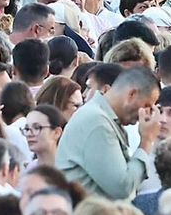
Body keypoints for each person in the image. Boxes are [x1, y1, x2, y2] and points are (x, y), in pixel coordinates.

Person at [56, 66, 161, 201]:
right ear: (132, 94)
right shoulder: (97, 122)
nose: (147, 112)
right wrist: (146, 141)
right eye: (147, 105)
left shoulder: (101, 116)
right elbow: (122, 187)